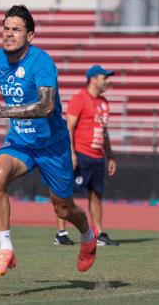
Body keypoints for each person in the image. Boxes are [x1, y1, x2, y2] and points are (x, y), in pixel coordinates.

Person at [0, 5, 98, 277]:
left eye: (16, 29)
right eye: (6, 28)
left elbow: (46, 106)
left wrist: (0, 111)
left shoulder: (42, 62)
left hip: (53, 146)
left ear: (30, 36)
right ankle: (6, 250)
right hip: (20, 141)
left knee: (63, 208)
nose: (9, 34)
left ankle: (88, 237)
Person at [53, 65, 119, 246]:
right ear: (93, 78)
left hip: (97, 155)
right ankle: (61, 232)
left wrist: (110, 155)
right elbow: (69, 128)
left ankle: (98, 232)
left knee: (96, 195)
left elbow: (103, 131)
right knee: (66, 193)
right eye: (104, 77)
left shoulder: (104, 102)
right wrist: (71, 153)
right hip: (81, 153)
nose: (107, 81)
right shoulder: (80, 98)